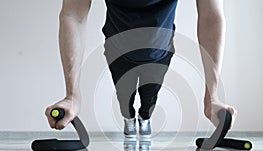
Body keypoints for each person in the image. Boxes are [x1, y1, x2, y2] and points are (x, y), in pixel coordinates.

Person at [45, 0, 237, 138]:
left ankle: (144, 119)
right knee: (124, 98)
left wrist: (212, 97)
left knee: (149, 98)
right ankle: (129, 120)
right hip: (117, 49)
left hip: (159, 51)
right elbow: (73, 14)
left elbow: (211, 17)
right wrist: (72, 96)